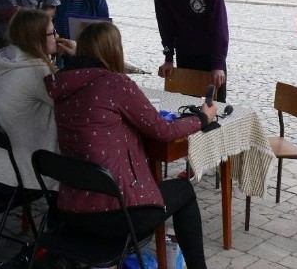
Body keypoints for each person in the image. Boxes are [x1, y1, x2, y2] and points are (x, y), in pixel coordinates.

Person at [45, 22, 216, 268]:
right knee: (185, 192)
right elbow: (163, 130)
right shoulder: (115, 83)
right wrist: (202, 118)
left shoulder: (63, 87)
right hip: (116, 213)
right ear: (115, 51)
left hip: (71, 208)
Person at [0, 8, 71, 191]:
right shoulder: (36, 70)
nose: (58, 36)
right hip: (17, 175)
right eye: (52, 33)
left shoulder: (4, 59)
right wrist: (80, 57)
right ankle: (62, 216)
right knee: (79, 163)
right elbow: (71, 103)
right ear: (36, 37)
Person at [154, 0, 229, 102]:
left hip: (210, 54)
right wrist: (168, 58)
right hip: (185, 53)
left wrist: (218, 64)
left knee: (217, 107)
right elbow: (164, 24)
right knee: (187, 104)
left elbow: (219, 26)